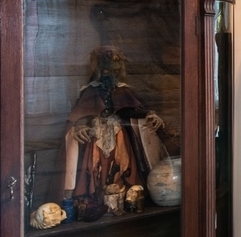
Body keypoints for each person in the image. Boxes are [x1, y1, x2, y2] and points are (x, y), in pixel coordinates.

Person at [62, 46, 166, 204]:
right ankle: (97, 196)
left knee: (123, 162)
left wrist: (151, 115)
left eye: (115, 71)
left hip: (119, 134)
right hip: (96, 135)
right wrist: (81, 125)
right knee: (95, 164)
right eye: (106, 71)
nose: (110, 75)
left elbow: (135, 109)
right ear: (98, 69)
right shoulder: (90, 90)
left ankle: (124, 194)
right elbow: (81, 112)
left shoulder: (124, 90)